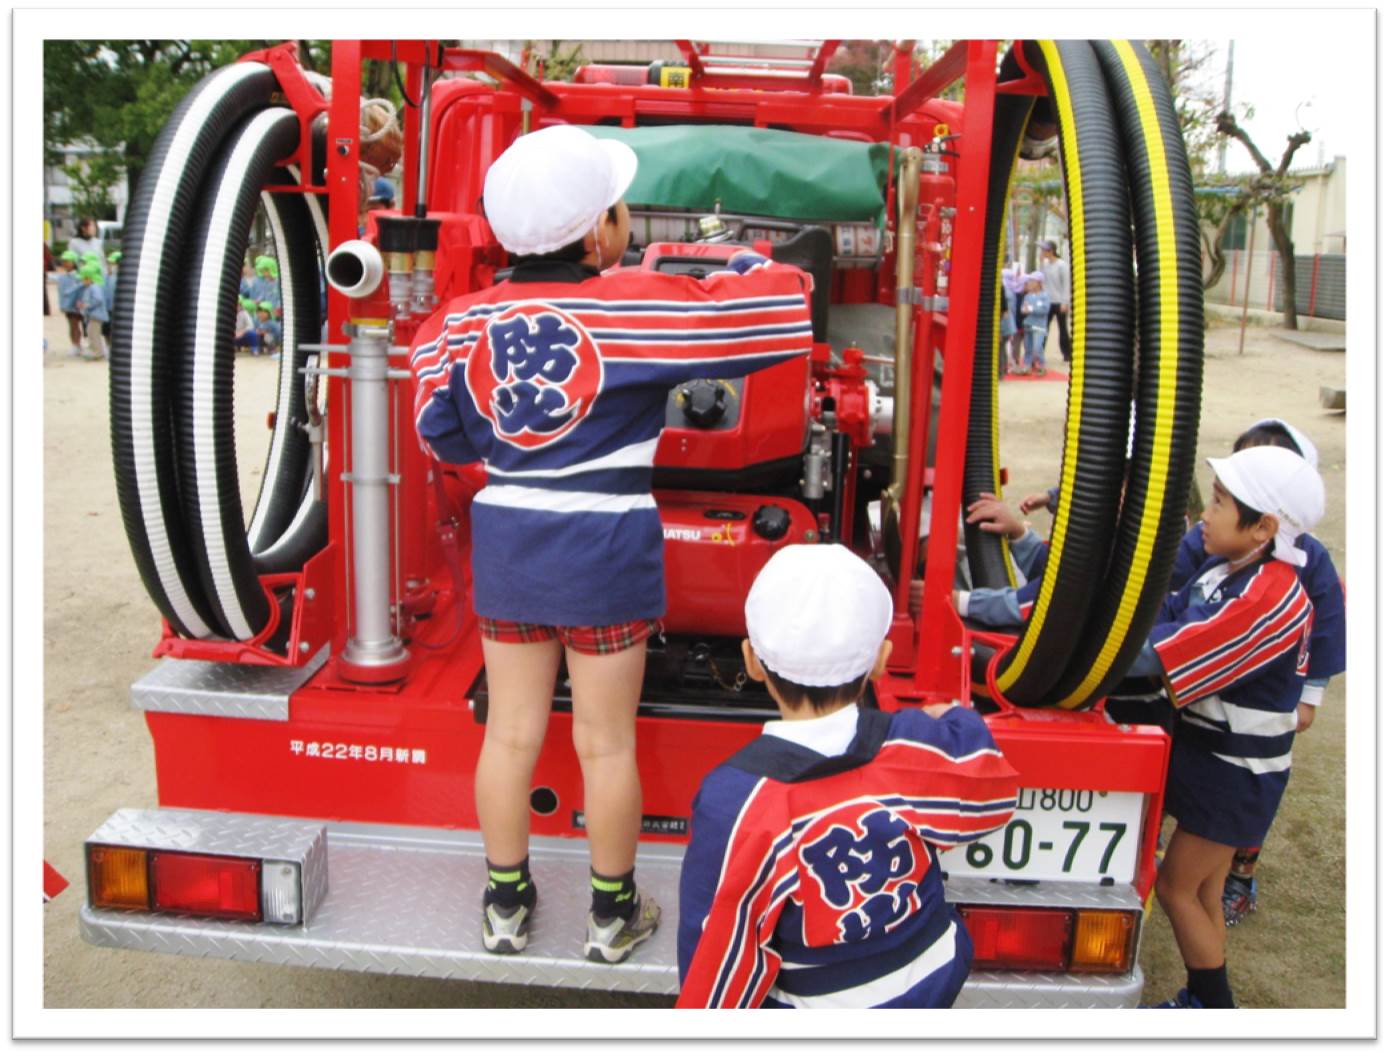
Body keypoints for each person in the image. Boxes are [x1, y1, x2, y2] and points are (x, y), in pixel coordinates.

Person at [408, 123, 816, 964]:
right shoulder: (635, 303)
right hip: (606, 553)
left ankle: (506, 907)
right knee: (605, 742)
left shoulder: (456, 323)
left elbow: (440, 436)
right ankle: (610, 915)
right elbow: (776, 321)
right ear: (598, 232)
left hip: (511, 544)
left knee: (510, 736)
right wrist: (744, 263)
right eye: (620, 210)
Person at [962, 446, 1323, 1009]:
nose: (1205, 514)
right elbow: (1153, 614)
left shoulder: (1268, 596)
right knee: (1201, 890)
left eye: (1222, 505)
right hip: (1214, 762)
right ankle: (1206, 1000)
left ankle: (1211, 1005)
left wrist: (1065, 648)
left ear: (1264, 527)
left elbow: (1156, 650)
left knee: (1179, 888)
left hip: (1235, 776)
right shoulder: (1225, 572)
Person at [675, 544, 1019, 1008]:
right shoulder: (915, 745)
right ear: (881, 659)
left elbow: (719, 948)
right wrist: (955, 720)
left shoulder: (736, 799)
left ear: (752, 662)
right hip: (933, 979)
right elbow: (991, 797)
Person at [1168, 419, 1345, 929]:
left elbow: (1327, 629)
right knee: (1205, 848)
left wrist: (1310, 695)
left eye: (1226, 499)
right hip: (1215, 719)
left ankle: (1242, 876)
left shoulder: (1295, 570)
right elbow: (1177, 592)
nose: (1211, 510)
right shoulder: (1212, 551)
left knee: (1212, 848)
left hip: (1249, 732)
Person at [1038, 239, 1071, 364]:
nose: (1042, 252)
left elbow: (1066, 284)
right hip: (1048, 301)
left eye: (1044, 250)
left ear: (1050, 251)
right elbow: (1041, 279)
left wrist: (1065, 302)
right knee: (1043, 327)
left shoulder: (1062, 265)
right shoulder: (1046, 266)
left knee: (1062, 328)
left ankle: (1067, 353)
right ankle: (1040, 352)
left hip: (1059, 301)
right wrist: (1040, 263)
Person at [1019, 271, 1049, 376]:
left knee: (1037, 346)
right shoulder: (1028, 296)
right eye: (1030, 281)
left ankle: (1042, 365)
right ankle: (1027, 366)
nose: (1030, 283)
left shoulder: (1045, 296)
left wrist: (1031, 309)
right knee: (1028, 347)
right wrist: (1024, 309)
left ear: (1039, 282)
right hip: (1028, 324)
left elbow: (1045, 310)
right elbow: (1023, 308)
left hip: (1039, 326)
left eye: (1033, 281)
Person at [77, 262, 109, 359]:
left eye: (84, 279)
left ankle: (98, 352)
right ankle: (94, 349)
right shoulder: (90, 288)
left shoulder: (94, 287)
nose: (82, 281)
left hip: (96, 315)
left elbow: (98, 299)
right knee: (90, 332)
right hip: (92, 315)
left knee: (93, 333)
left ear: (89, 278)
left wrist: (86, 305)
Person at [57, 250, 84, 357]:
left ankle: (77, 345)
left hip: (77, 305)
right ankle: (75, 345)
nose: (65, 263)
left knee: (76, 325)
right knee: (72, 325)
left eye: (67, 261)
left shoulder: (79, 276)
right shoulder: (62, 277)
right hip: (68, 306)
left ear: (74, 262)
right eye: (64, 261)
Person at [103, 251, 121, 343]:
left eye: (113, 263)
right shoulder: (106, 277)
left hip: (117, 309)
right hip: (107, 308)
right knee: (106, 329)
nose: (110, 266)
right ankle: (108, 346)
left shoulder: (121, 277)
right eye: (109, 263)